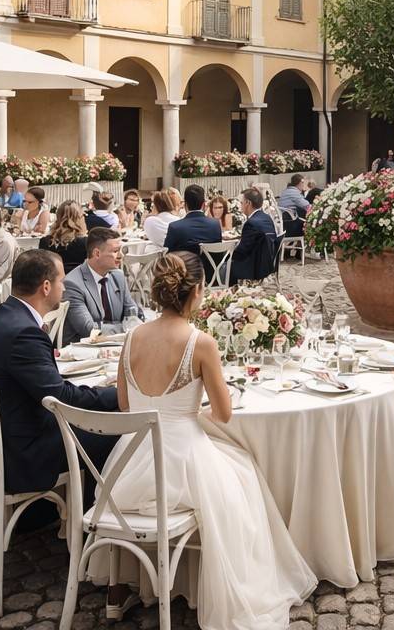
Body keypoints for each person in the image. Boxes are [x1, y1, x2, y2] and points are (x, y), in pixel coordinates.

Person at [91, 252, 317, 623]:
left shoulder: (132, 337)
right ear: (197, 290)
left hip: (131, 465)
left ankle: (121, 587)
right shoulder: (201, 342)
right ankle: (219, 587)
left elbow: (125, 403)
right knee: (244, 473)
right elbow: (224, 413)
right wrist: (190, 412)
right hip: (183, 464)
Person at [0, 250, 120, 498]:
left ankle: (57, 508)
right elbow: (60, 398)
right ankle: (90, 512)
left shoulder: (2, 314)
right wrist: (117, 395)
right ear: (46, 287)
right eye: (61, 281)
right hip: (3, 457)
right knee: (112, 431)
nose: (64, 287)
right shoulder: (24, 332)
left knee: (95, 419)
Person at [63, 227, 143, 341]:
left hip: (114, 345)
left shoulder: (118, 276)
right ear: (97, 253)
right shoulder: (73, 284)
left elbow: (131, 310)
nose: (121, 256)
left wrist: (132, 323)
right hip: (84, 348)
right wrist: (126, 328)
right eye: (115, 251)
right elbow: (89, 329)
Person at [227, 187, 277, 284]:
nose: (241, 206)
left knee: (222, 266)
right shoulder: (266, 218)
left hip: (253, 268)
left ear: (248, 203)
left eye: (241, 203)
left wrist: (227, 255)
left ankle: (228, 290)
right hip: (266, 263)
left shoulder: (251, 223)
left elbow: (242, 252)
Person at [164, 185, 224, 256]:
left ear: (185, 205)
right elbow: (218, 251)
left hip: (185, 263)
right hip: (211, 263)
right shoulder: (215, 224)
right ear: (203, 204)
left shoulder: (175, 227)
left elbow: (166, 255)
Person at [41, 200, 90, 273]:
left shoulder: (45, 242)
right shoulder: (87, 243)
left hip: (54, 278)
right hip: (79, 278)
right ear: (79, 219)